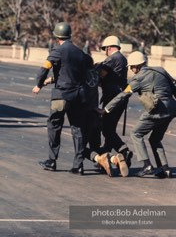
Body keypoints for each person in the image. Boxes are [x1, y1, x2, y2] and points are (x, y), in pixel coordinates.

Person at [99, 51, 176, 178]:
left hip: (157, 109)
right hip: (172, 109)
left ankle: (147, 166)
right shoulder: (160, 70)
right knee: (155, 139)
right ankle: (165, 168)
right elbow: (174, 88)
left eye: (131, 67)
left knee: (136, 133)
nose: (131, 70)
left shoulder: (138, 78)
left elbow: (123, 95)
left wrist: (106, 109)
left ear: (136, 66)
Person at [32, 22, 90, 175]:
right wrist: (51, 80)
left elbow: (44, 68)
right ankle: (78, 165)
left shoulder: (58, 50)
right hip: (79, 96)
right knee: (77, 129)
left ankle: (52, 160)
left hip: (62, 96)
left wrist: (38, 84)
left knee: (54, 126)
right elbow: (80, 70)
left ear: (57, 36)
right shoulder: (80, 52)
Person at [95, 35, 133, 170]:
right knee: (109, 128)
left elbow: (100, 74)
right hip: (119, 99)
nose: (105, 51)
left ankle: (124, 151)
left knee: (106, 129)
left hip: (112, 99)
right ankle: (105, 159)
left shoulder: (113, 58)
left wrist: (95, 68)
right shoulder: (122, 58)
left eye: (105, 49)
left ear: (109, 48)